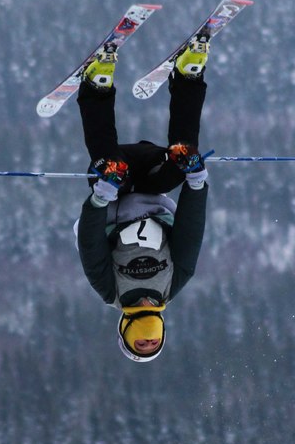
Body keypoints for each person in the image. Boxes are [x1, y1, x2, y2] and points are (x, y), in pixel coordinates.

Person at [75, 31, 211, 362]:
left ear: (126, 332)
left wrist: (100, 197)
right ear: (162, 330)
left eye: (142, 344)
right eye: (154, 344)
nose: (148, 341)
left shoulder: (111, 291)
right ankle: (189, 75)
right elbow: (190, 232)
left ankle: (97, 85)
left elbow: (90, 243)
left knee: (111, 166)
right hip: (152, 181)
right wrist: (196, 182)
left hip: (115, 187)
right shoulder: (173, 283)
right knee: (182, 159)